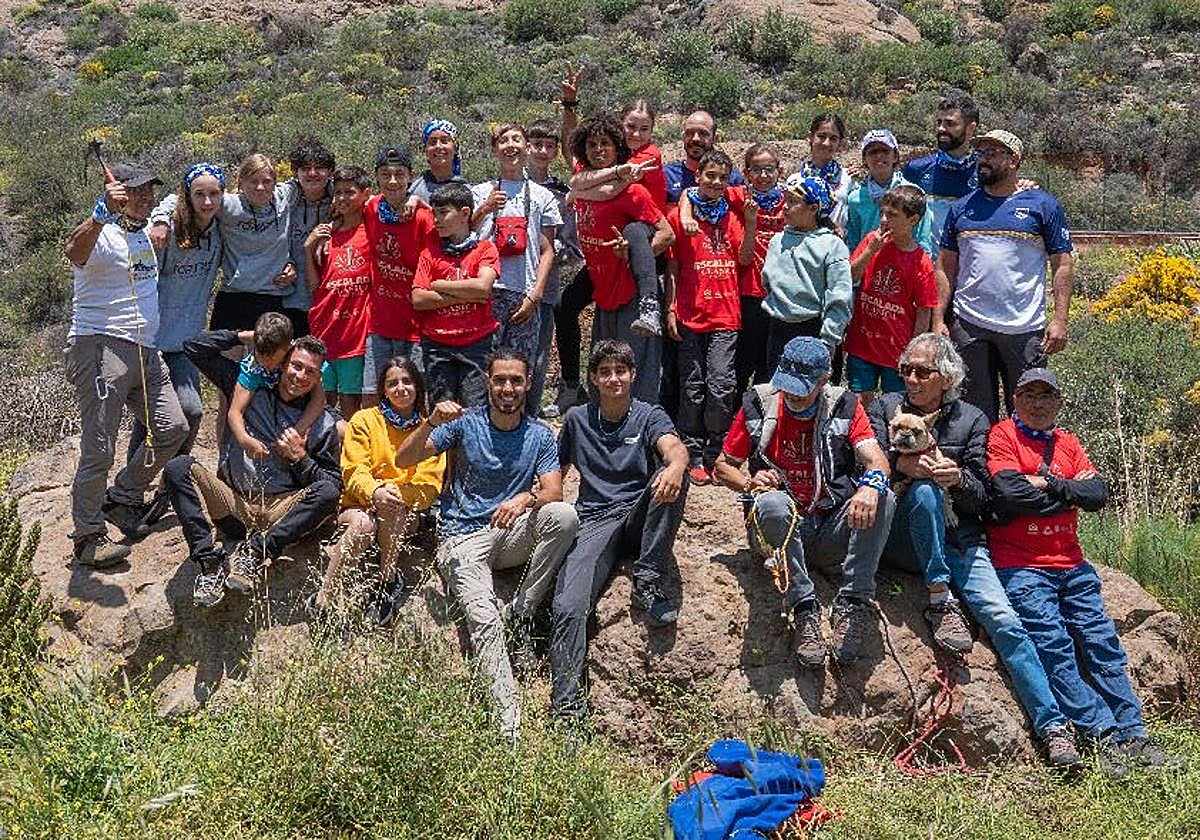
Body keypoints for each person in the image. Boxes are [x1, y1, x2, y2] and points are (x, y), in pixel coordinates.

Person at [868, 335, 1080, 768]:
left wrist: (960, 480)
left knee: (1005, 621)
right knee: (924, 494)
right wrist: (901, 464)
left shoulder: (971, 420)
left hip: (962, 540)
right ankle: (940, 598)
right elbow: (860, 464)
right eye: (906, 368)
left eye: (921, 371)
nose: (910, 377)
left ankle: (1053, 729)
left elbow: (989, 499)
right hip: (902, 537)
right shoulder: (885, 406)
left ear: (946, 377)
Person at [987, 368, 1181, 775]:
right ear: (1015, 401)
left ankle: (1134, 732)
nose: (1038, 404)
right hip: (1022, 566)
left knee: (1102, 644)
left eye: (1047, 396)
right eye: (1029, 395)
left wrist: (1047, 484)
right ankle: (1103, 734)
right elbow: (1008, 492)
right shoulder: (1003, 435)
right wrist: (1065, 490)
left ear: (1058, 402)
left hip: (1073, 565)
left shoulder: (1068, 442)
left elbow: (1097, 494)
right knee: (1054, 647)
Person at [394, 348, 580, 740]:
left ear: (528, 384)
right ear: (488, 383)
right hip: (461, 538)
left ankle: (523, 610)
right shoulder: (464, 424)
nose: (508, 388)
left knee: (563, 517)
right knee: (483, 619)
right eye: (500, 380)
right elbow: (405, 456)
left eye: (516, 380)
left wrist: (524, 499)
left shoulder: (540, 435)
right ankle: (508, 729)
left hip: (510, 533)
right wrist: (430, 421)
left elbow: (554, 492)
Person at [712, 337, 894, 667]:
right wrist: (751, 482)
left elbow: (876, 461)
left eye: (802, 387)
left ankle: (853, 602)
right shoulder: (759, 402)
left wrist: (870, 486)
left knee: (883, 496)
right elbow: (722, 467)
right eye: (787, 385)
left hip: (830, 525)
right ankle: (803, 608)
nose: (793, 394)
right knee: (772, 504)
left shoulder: (845, 405)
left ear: (824, 380)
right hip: (777, 534)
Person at [550, 340, 689, 721]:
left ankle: (648, 578)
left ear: (633, 374)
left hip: (637, 515)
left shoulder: (648, 415)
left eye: (621, 371)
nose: (614, 378)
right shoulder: (577, 419)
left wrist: (676, 465)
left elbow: (674, 448)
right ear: (593, 378)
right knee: (568, 604)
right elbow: (554, 474)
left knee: (673, 474)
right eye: (605, 372)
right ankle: (567, 708)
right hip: (594, 519)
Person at [64, 163, 190, 567]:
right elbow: (73, 251)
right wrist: (101, 211)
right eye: (135, 192)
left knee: (175, 426)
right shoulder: (101, 233)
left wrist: (160, 218)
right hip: (100, 347)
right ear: (115, 193)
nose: (144, 197)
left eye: (148, 191)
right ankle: (87, 536)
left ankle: (122, 496)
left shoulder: (143, 235)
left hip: (144, 349)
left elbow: (174, 198)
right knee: (99, 446)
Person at [165, 333, 341, 608]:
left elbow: (331, 486)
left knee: (327, 492)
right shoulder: (247, 386)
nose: (300, 376)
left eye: (311, 371)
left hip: (282, 510)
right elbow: (193, 347)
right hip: (235, 503)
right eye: (295, 365)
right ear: (282, 363)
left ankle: (256, 552)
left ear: (319, 378)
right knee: (178, 467)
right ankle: (210, 563)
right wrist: (248, 336)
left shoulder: (323, 423)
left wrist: (300, 458)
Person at [933, 129, 1074, 422]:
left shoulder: (1043, 205)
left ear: (1014, 160)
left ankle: (1025, 468)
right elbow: (945, 266)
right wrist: (938, 319)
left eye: (992, 153)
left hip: (1024, 330)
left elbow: (1061, 263)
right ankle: (980, 468)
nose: (982, 159)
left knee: (1029, 411)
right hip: (970, 327)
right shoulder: (962, 207)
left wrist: (1060, 320)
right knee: (974, 414)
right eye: (980, 152)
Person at [312, 356, 446, 624]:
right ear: (383, 390)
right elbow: (353, 469)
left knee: (393, 508)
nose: (400, 388)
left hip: (403, 512)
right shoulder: (364, 420)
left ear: (418, 387)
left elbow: (430, 485)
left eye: (407, 381)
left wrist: (392, 493)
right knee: (362, 524)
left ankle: (386, 583)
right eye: (392, 383)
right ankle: (323, 600)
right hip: (356, 505)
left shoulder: (429, 431)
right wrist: (374, 492)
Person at [127, 162, 225, 521]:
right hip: (152, 340)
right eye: (199, 193)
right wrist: (161, 219)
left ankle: (169, 485)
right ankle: (133, 493)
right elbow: (167, 201)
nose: (208, 200)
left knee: (191, 410)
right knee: (152, 419)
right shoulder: (170, 232)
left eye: (214, 193)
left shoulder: (219, 228)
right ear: (188, 195)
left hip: (186, 342)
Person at [570, 114, 674, 403]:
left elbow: (667, 235)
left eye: (605, 143)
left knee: (637, 374)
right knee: (603, 372)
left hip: (632, 293)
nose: (598, 149)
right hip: (605, 293)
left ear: (618, 148)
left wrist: (633, 252)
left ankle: (644, 438)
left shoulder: (633, 192)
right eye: (592, 144)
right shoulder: (587, 187)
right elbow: (574, 169)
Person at [664, 149, 745, 485]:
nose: (714, 182)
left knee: (721, 384)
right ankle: (692, 451)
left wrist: (751, 222)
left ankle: (717, 452)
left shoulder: (733, 216)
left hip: (726, 315)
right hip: (689, 313)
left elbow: (743, 256)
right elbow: (672, 266)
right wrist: (670, 307)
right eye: (709, 175)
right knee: (693, 386)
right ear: (697, 177)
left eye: (721, 178)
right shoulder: (678, 218)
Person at [149, 152, 299, 332]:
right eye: (253, 181)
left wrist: (291, 262)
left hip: (274, 295)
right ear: (241, 182)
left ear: (275, 182)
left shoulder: (286, 197)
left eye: (266, 181)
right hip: (234, 296)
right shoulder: (227, 205)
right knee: (224, 358)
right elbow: (180, 199)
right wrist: (160, 222)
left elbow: (320, 184)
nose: (260, 187)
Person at [471, 123, 561, 383]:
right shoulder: (479, 192)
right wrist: (485, 208)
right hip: (488, 292)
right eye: (503, 141)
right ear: (494, 151)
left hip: (524, 294)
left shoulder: (543, 196)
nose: (510, 145)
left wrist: (536, 294)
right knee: (484, 367)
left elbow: (547, 250)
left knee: (520, 369)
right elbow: (464, 235)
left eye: (516, 140)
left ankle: (519, 421)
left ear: (527, 147)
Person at [844, 185, 938, 407]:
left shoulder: (921, 261)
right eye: (883, 213)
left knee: (894, 405)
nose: (884, 219)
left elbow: (925, 310)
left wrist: (914, 350)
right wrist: (870, 251)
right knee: (860, 401)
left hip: (897, 351)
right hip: (861, 344)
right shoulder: (871, 241)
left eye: (893, 215)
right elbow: (849, 276)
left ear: (913, 220)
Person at [411, 182, 502, 407]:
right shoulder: (429, 253)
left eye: (443, 213)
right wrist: (468, 293)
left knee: (475, 408)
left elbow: (482, 288)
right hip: (437, 344)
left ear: (464, 213)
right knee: (442, 409)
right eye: (434, 214)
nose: (436, 220)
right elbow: (419, 299)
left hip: (477, 342)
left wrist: (439, 284)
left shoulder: (485, 249)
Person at [361, 146, 438, 405]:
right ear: (377, 177)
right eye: (385, 174)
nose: (392, 181)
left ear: (410, 177)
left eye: (399, 174)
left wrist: (418, 201)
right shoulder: (371, 209)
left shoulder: (423, 217)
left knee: (414, 395)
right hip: (380, 322)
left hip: (414, 325)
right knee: (374, 394)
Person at [525, 119, 585, 418]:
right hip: (503, 285)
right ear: (526, 146)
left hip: (544, 285)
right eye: (538, 145)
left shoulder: (562, 193)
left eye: (550, 146)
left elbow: (573, 244)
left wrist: (551, 251)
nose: (544, 151)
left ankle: (531, 414)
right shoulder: (501, 186)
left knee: (538, 356)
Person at [759, 175, 852, 368]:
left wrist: (829, 338)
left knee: (812, 391)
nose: (785, 206)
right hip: (778, 329)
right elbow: (768, 282)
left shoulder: (832, 245)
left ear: (814, 208)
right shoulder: (778, 240)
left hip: (813, 329)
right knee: (778, 390)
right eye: (786, 199)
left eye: (793, 202)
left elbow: (839, 294)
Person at [305, 165, 374, 418]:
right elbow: (315, 286)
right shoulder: (327, 235)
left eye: (349, 192)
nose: (342, 198)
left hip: (354, 334)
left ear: (364, 193)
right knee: (321, 403)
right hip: (324, 329)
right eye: (338, 192)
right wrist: (307, 249)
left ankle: (350, 457)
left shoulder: (372, 230)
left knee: (350, 406)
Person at [227, 312, 326, 461]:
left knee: (340, 429)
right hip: (266, 407)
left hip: (299, 407)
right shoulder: (253, 368)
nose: (267, 363)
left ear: (287, 351)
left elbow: (319, 398)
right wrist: (244, 439)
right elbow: (235, 412)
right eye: (263, 356)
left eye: (274, 357)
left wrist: (297, 431)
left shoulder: (298, 354)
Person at [732, 144, 786, 389]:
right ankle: (736, 415)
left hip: (779, 291)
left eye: (769, 169)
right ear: (746, 172)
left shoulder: (790, 200)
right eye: (756, 170)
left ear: (779, 171)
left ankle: (765, 415)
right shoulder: (738, 197)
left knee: (770, 359)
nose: (763, 176)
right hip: (747, 289)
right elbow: (694, 193)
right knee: (743, 359)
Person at [901, 91, 981, 252]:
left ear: (971, 129)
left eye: (950, 124)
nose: (941, 129)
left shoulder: (986, 172)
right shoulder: (915, 170)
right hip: (925, 270)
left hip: (970, 270)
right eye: (939, 122)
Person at [843, 129, 935, 258]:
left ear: (895, 156)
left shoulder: (913, 193)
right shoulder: (855, 198)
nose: (879, 156)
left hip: (905, 267)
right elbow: (853, 242)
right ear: (864, 159)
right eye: (873, 152)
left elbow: (923, 238)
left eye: (885, 151)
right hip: (869, 267)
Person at [282, 137, 335, 335]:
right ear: (296, 173)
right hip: (289, 300)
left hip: (330, 301)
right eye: (305, 168)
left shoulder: (342, 202)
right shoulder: (284, 203)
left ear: (330, 172)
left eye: (319, 167)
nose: (312, 173)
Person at [663, 110, 745, 205]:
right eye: (689, 133)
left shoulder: (733, 178)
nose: (695, 138)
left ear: (715, 138)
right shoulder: (667, 176)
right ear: (683, 137)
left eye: (703, 133)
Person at [797, 112, 853, 234]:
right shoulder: (796, 180)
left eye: (833, 138)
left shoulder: (849, 178)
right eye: (821, 136)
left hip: (837, 246)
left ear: (840, 143)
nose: (826, 143)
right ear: (811, 137)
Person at [408, 119, 468, 203]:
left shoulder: (467, 190)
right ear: (426, 150)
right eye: (433, 142)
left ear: (455, 148)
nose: (438, 146)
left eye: (444, 141)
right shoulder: (413, 189)